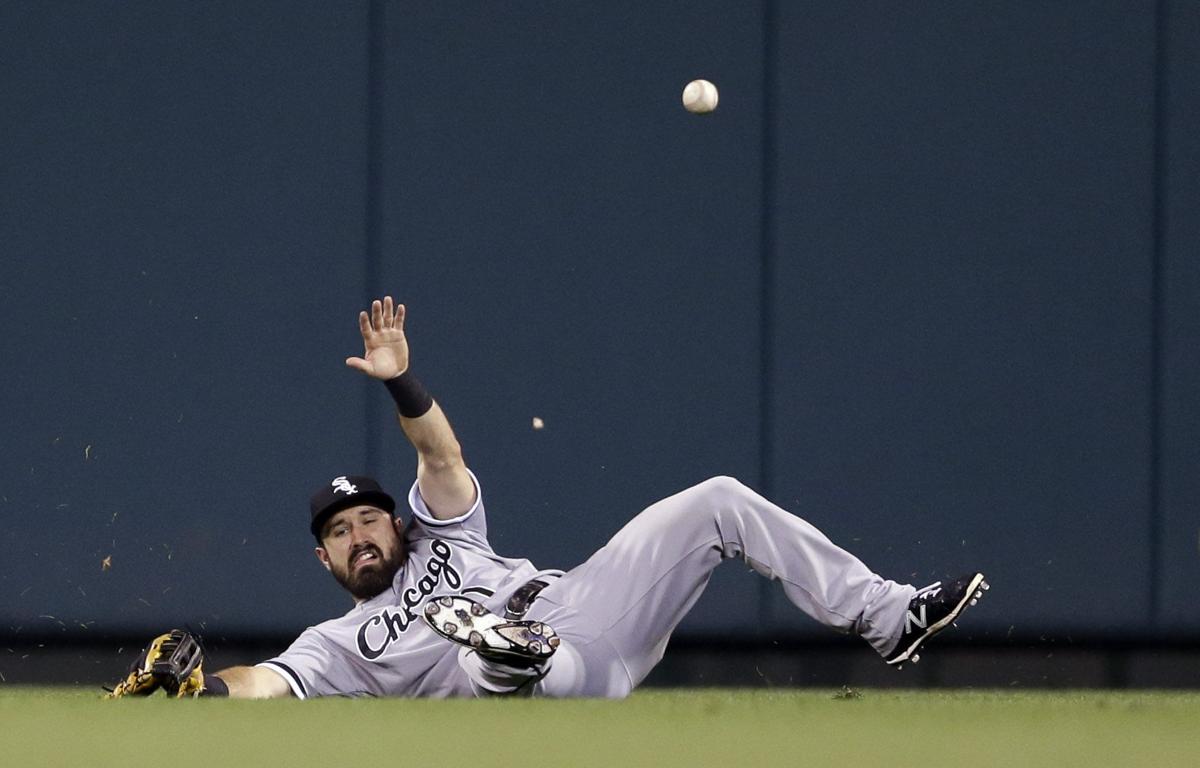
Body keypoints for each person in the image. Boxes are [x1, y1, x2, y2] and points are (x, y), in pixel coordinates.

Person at [108, 296, 987, 699]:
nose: (360, 534)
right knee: (468, 659)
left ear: (397, 521)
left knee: (717, 498)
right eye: (340, 532)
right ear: (323, 558)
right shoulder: (337, 645)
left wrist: (402, 382)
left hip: (585, 601)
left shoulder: (445, 530)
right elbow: (268, 683)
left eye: (369, 516)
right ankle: (512, 658)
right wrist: (200, 695)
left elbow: (438, 451)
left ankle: (886, 617)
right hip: (538, 684)